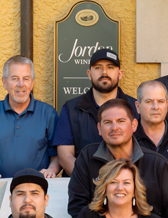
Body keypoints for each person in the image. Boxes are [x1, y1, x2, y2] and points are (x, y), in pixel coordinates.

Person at [65, 98, 168, 218]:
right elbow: (77, 206)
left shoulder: (157, 164)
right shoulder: (88, 158)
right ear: (99, 129)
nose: (114, 128)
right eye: (107, 122)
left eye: (121, 121)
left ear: (134, 125)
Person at [0, 55, 60, 179]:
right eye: (14, 78)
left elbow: (57, 154)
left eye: (26, 78)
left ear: (32, 83)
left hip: (37, 187)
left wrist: (51, 170)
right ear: (4, 82)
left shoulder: (48, 113)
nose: (21, 84)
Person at [52, 47, 129, 175]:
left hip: (123, 189)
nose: (104, 72)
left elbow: (140, 153)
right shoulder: (71, 109)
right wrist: (91, 183)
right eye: (98, 67)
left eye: (110, 67)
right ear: (89, 74)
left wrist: (118, 182)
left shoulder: (134, 107)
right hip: (83, 188)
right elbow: (65, 157)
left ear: (120, 73)